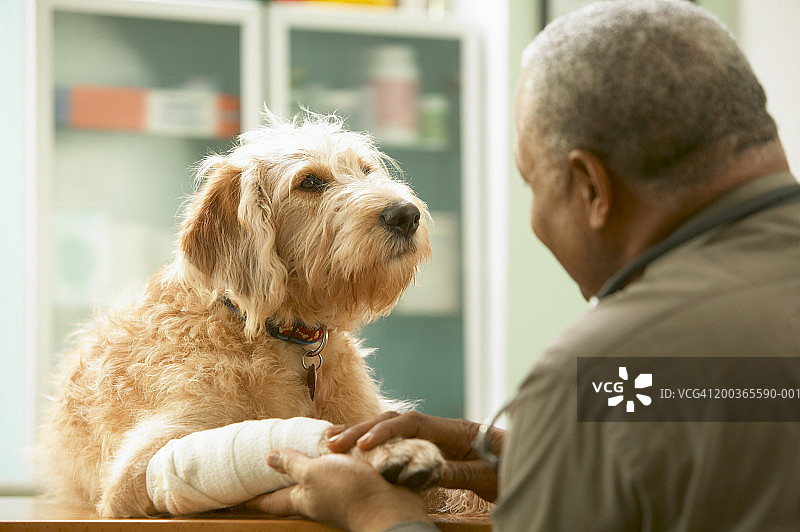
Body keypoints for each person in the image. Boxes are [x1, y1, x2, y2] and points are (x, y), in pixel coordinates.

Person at [247, 0, 800, 530]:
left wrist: (378, 514)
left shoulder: (603, 368)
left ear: (591, 189)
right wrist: (536, 454)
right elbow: (747, 395)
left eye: (532, 184)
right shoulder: (627, 384)